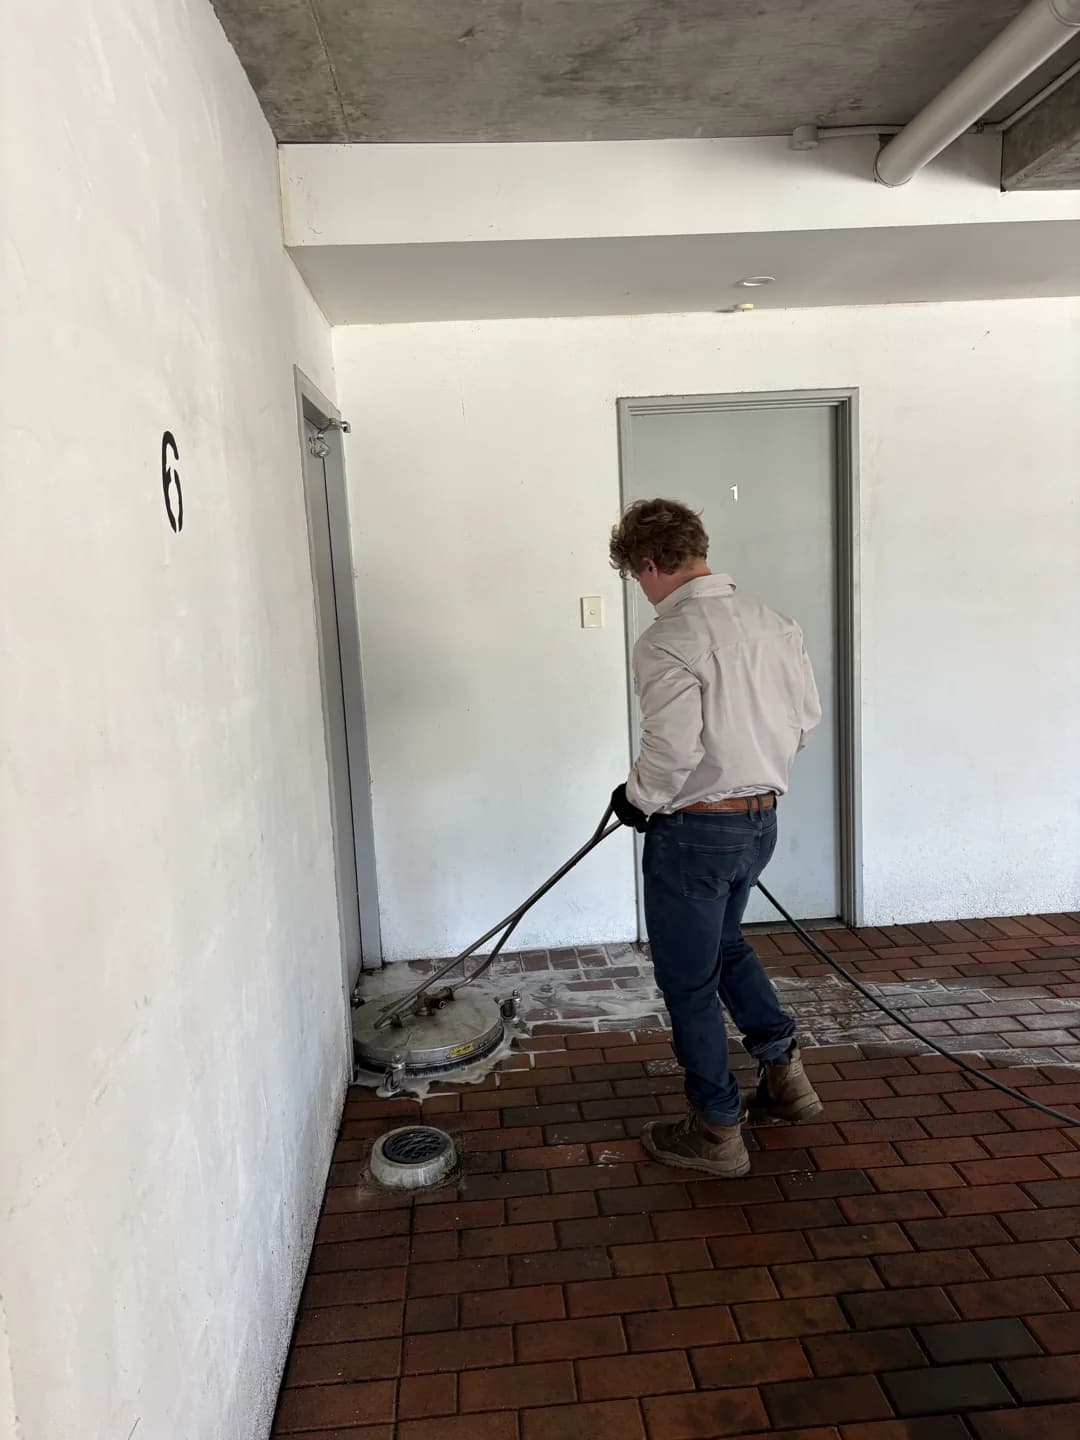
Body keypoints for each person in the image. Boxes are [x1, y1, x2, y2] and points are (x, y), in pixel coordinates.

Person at [609, 497, 824, 1177]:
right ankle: (785, 1078)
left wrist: (637, 799)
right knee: (726, 946)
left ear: (650, 563)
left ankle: (716, 1130)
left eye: (635, 575)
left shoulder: (668, 639)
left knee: (689, 981)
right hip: (760, 821)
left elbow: (672, 751)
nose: (640, 589)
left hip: (696, 833)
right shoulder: (775, 623)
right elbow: (806, 719)